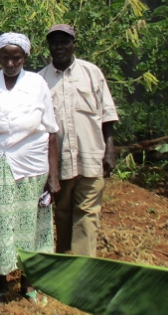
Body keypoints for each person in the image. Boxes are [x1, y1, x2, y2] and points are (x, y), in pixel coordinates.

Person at [0, 33, 60, 306]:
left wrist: (54, 178)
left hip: (32, 166)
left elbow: (51, 131)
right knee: (0, 226)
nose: (10, 63)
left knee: (31, 226)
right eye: (5, 57)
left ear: (25, 58)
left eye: (16, 58)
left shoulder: (37, 83)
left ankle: (28, 285)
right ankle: (1, 284)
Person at [39, 24, 119, 257]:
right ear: (49, 47)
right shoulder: (41, 80)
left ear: (74, 43)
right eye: (55, 42)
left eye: (65, 41)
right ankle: (65, 261)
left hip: (91, 156)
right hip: (60, 162)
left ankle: (83, 268)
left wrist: (109, 151)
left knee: (87, 213)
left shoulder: (91, 73)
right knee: (62, 212)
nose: (60, 46)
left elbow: (107, 114)